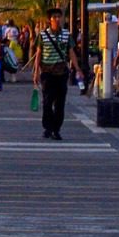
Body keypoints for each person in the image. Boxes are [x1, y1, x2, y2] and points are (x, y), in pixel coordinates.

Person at [37, 8, 80, 141]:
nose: (57, 19)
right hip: (47, 72)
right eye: (54, 17)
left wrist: (77, 68)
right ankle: (48, 127)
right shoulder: (43, 35)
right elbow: (39, 53)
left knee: (60, 103)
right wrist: (35, 72)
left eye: (59, 17)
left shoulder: (66, 35)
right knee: (47, 102)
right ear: (49, 20)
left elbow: (71, 52)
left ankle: (56, 129)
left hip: (61, 72)